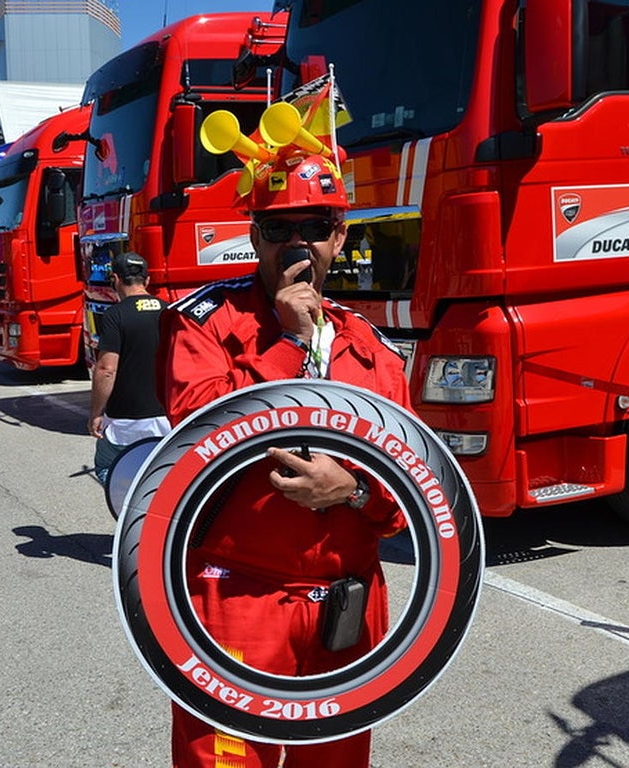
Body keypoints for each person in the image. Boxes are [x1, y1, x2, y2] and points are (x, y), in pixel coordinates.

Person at [158, 146, 411, 767]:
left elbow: (406, 501)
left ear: (339, 235)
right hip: (239, 599)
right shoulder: (206, 324)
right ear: (253, 235)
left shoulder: (376, 351)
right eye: (277, 229)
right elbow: (201, 428)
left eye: (315, 227)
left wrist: (350, 488)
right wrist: (288, 341)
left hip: (348, 607)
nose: (297, 246)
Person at [87, 252, 170, 484]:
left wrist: (96, 413)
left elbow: (106, 369)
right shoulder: (170, 311)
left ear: (115, 279)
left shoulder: (115, 315)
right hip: (166, 420)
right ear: (148, 280)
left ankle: (129, 514)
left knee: (108, 469)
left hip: (125, 423)